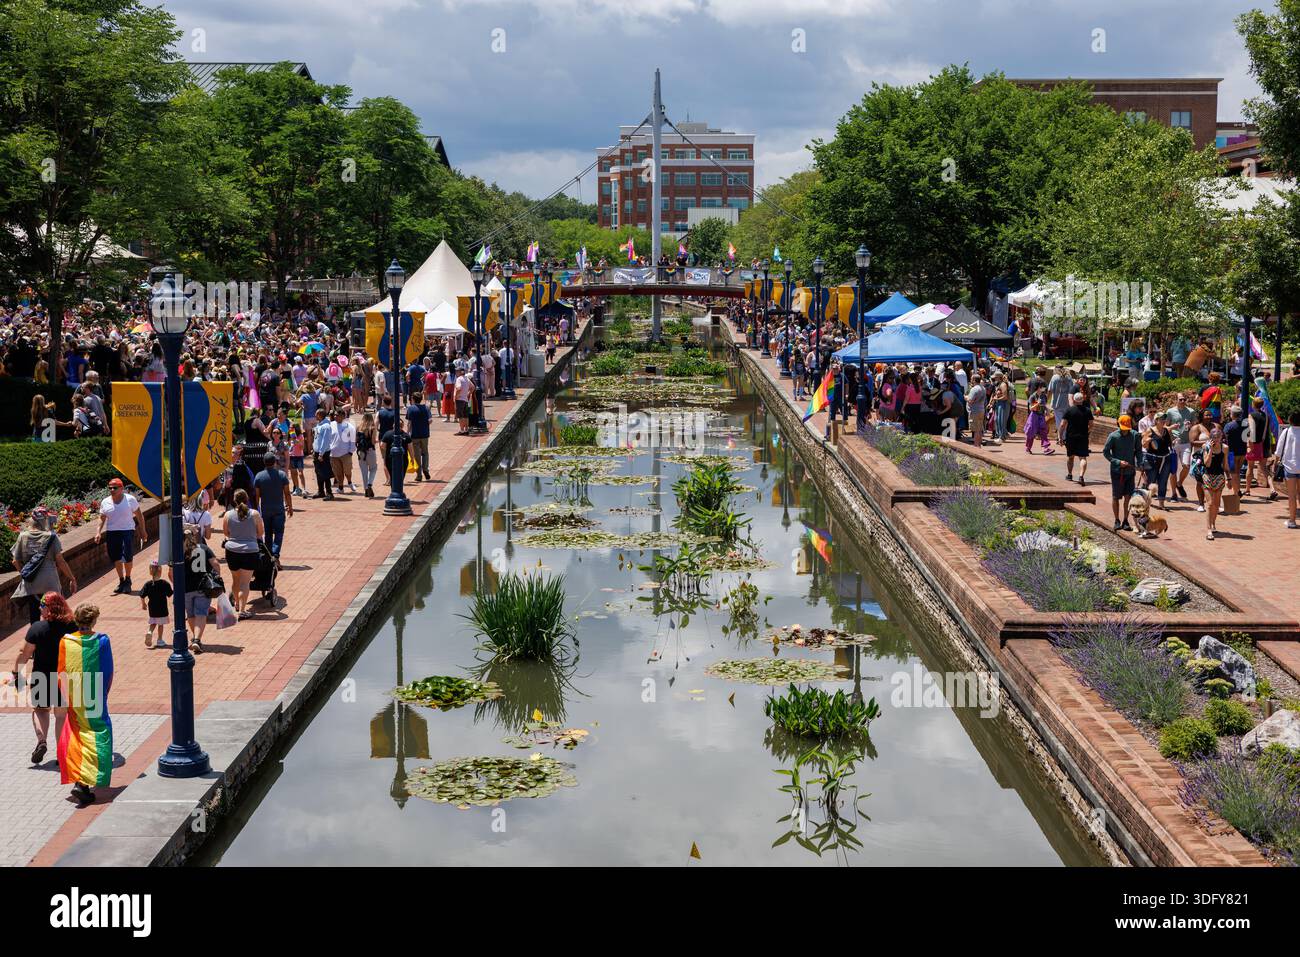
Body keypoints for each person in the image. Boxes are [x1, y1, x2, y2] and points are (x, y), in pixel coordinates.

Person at [7, 592, 74, 765]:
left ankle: (42, 740)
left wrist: (16, 674)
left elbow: (24, 653)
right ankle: (62, 752)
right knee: (61, 715)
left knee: (40, 710)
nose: (39, 608)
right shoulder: (72, 626)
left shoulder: (37, 628)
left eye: (42, 606)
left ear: (49, 609)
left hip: (41, 676)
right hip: (64, 677)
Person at [57, 602, 114, 806]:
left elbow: (61, 670)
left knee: (76, 733)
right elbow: (107, 671)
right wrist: (104, 694)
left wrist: (66, 696)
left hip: (74, 696)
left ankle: (80, 781)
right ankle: (85, 782)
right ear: (94, 620)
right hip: (95, 695)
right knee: (99, 733)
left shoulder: (65, 641)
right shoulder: (102, 640)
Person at [11, 506, 76, 623]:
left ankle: (36, 637)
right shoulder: (51, 536)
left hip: (32, 582)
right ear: (44, 520)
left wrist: (25, 573)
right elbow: (60, 561)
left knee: (34, 614)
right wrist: (72, 578)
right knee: (56, 613)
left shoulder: (23, 536)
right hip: (50, 581)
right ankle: (54, 638)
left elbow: (15, 561)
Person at [94, 477, 146, 594]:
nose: (112, 490)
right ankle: (121, 580)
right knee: (116, 557)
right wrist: (98, 532)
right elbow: (102, 517)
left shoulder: (130, 500)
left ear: (121, 488)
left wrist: (143, 530)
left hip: (127, 531)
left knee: (127, 556)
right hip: (112, 532)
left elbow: (139, 515)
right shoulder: (105, 502)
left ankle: (128, 579)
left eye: (115, 488)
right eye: (110, 488)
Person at [222, 489, 264, 618]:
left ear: (234, 500)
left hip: (232, 550)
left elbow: (226, 533)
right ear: (247, 499)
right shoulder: (255, 514)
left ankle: (237, 605)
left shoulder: (228, 515)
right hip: (250, 551)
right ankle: (242, 610)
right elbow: (260, 533)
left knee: (236, 580)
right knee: (245, 583)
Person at [182, 528, 219, 652]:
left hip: (186, 587)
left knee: (191, 614)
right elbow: (216, 564)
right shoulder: (203, 548)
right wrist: (216, 578)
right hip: (203, 586)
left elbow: (171, 573)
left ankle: (195, 639)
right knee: (201, 613)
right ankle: (197, 639)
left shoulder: (179, 551)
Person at [1102, 414, 1139, 531]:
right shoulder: (1113, 436)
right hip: (1117, 472)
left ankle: (1125, 520)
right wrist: (1117, 462)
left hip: (1130, 471)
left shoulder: (1135, 435)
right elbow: (1106, 452)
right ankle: (1117, 519)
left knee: (1128, 497)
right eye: (1123, 429)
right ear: (1118, 425)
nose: (1125, 431)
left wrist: (1141, 463)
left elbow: (1139, 451)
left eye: (1127, 429)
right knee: (1116, 496)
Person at [253, 451, 292, 558]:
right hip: (279, 509)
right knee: (279, 533)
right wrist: (290, 507)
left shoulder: (259, 476)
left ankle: (269, 555)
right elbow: (287, 493)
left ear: (264, 462)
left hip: (266, 510)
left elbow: (256, 496)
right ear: (275, 462)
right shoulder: (281, 475)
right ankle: (275, 554)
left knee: (268, 533)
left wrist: (256, 508)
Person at [1141, 411, 1176, 507]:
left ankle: (1161, 503)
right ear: (1156, 420)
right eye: (1161, 419)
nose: (1164, 421)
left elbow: (1171, 443)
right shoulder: (1149, 430)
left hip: (1165, 458)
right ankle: (1147, 499)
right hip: (1152, 458)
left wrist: (1175, 441)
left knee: (1163, 481)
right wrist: (1148, 441)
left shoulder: (1166, 431)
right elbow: (1143, 444)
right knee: (1151, 480)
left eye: (1164, 419)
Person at [1273, 409, 1300, 529]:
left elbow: (1279, 451)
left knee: (1292, 495)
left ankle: (1292, 520)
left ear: (1290, 420)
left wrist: (1275, 463)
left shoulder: (1287, 431)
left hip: (1289, 467)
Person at [1201, 427, 1228, 540]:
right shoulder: (1205, 446)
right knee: (1210, 503)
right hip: (1208, 476)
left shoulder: (1225, 448)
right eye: (1213, 437)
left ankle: (1213, 523)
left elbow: (1225, 464)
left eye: (1218, 437)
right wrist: (1211, 449)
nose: (1216, 439)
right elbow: (1207, 464)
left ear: (1221, 437)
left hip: (1219, 477)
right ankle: (1208, 530)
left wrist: (1229, 478)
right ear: (1210, 438)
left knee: (1216, 504)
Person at [1244, 395, 1273, 498]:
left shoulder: (1251, 415)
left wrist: (1249, 444)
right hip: (1263, 443)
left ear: (1253, 404)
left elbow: (1251, 430)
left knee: (1250, 467)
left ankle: (1247, 490)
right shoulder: (1266, 415)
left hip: (1254, 444)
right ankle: (1272, 489)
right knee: (1264, 468)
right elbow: (1265, 432)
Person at [1062, 391, 1093, 486]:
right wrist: (1088, 431)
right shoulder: (1087, 410)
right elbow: (1091, 425)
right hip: (1083, 436)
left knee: (1070, 457)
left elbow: (1063, 424)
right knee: (1082, 458)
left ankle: (1070, 475)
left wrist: (1059, 436)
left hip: (1071, 437)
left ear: (1074, 400)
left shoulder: (1069, 410)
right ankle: (1081, 476)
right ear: (1082, 400)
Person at [139, 560, 173, 648]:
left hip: (152, 607)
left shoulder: (148, 584)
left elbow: (142, 595)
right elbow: (170, 594)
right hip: (162, 607)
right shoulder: (164, 583)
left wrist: (143, 604)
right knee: (160, 624)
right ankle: (160, 639)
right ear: (160, 571)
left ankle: (150, 632)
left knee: (153, 622)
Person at [311, 407, 338, 500]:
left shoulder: (326, 426)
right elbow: (317, 439)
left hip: (323, 454)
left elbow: (325, 441)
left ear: (320, 415)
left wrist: (321, 454)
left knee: (325, 473)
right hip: (317, 452)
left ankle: (329, 493)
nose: (315, 416)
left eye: (316, 414)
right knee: (319, 473)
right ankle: (321, 491)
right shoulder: (319, 425)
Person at [406, 391, 432, 480]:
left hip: (415, 435)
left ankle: (419, 475)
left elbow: (409, 423)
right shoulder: (426, 408)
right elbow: (430, 420)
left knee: (416, 455)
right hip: (424, 434)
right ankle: (426, 469)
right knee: (425, 453)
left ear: (413, 399)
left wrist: (407, 433)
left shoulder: (410, 409)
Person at [331, 407, 356, 494]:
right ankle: (341, 487)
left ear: (342, 416)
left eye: (337, 415)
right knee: (338, 473)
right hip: (333, 454)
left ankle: (349, 482)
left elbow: (353, 440)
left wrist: (351, 452)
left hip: (346, 453)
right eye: (334, 415)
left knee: (347, 471)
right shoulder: (331, 425)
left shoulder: (350, 427)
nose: (335, 416)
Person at [356, 412, 379, 498]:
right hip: (370, 451)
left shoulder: (358, 428)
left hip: (361, 452)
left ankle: (366, 489)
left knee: (364, 472)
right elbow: (373, 442)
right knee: (373, 468)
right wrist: (376, 441)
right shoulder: (373, 428)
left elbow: (356, 441)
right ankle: (369, 484)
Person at [966, 373, 987, 447]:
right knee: (979, 428)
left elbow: (970, 400)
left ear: (974, 380)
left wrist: (966, 397)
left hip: (975, 411)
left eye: (971, 379)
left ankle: (976, 446)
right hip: (981, 410)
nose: (971, 380)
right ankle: (979, 445)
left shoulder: (974, 389)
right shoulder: (983, 388)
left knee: (976, 430)